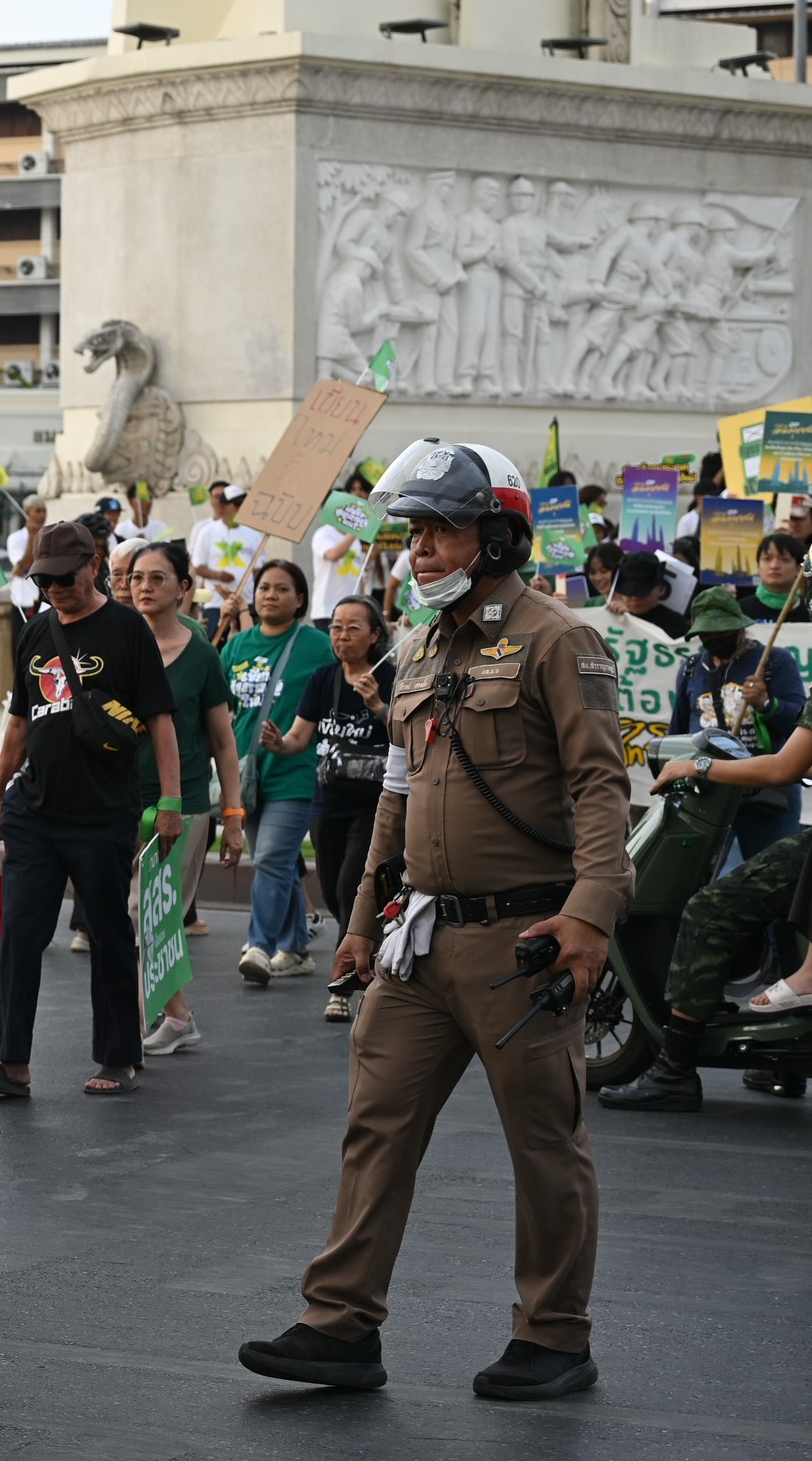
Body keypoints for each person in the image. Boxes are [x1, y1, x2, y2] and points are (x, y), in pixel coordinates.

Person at [240, 439, 630, 1403]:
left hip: (524, 941)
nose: (417, 550)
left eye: (439, 531)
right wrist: (360, 920)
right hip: (418, 939)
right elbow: (397, 793)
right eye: (412, 532)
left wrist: (588, 917)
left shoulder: (559, 638)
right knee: (374, 1126)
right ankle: (340, 1323)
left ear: (496, 537)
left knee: (543, 1141)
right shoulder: (412, 648)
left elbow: (599, 784)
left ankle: (553, 1333)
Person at [606, 529, 812, 1110]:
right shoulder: (696, 667)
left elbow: (783, 765)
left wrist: (700, 767)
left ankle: (674, 1069)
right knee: (781, 909)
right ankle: (786, 1056)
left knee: (711, 909)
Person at [0, 521, 181, 1098]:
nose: (55, 589)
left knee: (109, 934)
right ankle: (12, 1062)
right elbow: (19, 721)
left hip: (104, 813)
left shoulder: (127, 629)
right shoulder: (35, 631)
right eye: (45, 580)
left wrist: (170, 801)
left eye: (65, 577)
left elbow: (160, 719)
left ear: (93, 565)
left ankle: (119, 1056)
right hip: (34, 812)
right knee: (20, 935)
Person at [128, 541, 247, 1054]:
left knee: (151, 910)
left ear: (183, 588)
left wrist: (233, 816)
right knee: (139, 913)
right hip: (120, 800)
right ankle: (170, 1016)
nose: (144, 587)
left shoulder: (201, 655)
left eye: (157, 578)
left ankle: (162, 1018)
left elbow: (223, 741)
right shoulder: (120, 646)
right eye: (136, 577)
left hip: (185, 805)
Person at [270, 597, 394, 1019]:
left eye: (353, 627)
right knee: (330, 890)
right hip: (328, 800)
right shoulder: (324, 678)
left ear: (375, 634)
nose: (342, 635)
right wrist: (279, 743)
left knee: (348, 886)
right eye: (336, 627)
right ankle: (371, 941)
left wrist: (379, 707)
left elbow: (410, 734)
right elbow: (299, 737)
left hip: (374, 803)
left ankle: (342, 987)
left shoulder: (391, 677)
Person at [224, 560, 335, 983]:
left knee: (270, 857)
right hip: (246, 774)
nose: (270, 595)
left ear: (300, 599)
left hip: (295, 770)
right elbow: (220, 707)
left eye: (282, 588)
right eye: (264, 587)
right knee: (279, 862)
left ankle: (259, 946)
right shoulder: (237, 646)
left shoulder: (317, 645)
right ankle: (296, 949)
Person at [671, 584, 805, 867]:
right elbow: (678, 732)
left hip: (765, 793)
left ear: (739, 628)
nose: (714, 640)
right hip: (710, 791)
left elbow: (801, 723)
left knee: (774, 873)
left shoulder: (774, 662)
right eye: (706, 634)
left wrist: (767, 704)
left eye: (721, 633)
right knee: (700, 876)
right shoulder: (691, 669)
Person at [188, 485, 255, 633]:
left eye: (243, 503)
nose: (241, 508)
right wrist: (219, 575)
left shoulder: (253, 534)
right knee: (217, 643)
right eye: (237, 504)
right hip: (216, 603)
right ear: (224, 506)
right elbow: (198, 566)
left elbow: (259, 568)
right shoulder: (207, 532)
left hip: (247, 602)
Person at [607, 550, 689, 637]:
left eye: (641, 592)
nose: (634, 597)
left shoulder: (675, 623)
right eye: (629, 592)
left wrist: (632, 620)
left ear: (659, 587)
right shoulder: (613, 617)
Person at [739, 532, 808, 621]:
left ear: (799, 569)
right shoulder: (740, 611)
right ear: (758, 566)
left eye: (784, 559)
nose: (774, 566)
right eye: (767, 559)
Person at [5, 494, 47, 614]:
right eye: (38, 511)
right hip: (25, 599)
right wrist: (33, 536)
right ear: (27, 513)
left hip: (45, 599)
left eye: (44, 511)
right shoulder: (15, 538)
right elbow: (22, 569)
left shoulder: (50, 536)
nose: (42, 515)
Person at [577, 539, 622, 608]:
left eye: (604, 571)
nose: (598, 578)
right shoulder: (591, 604)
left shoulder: (635, 605)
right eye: (592, 572)